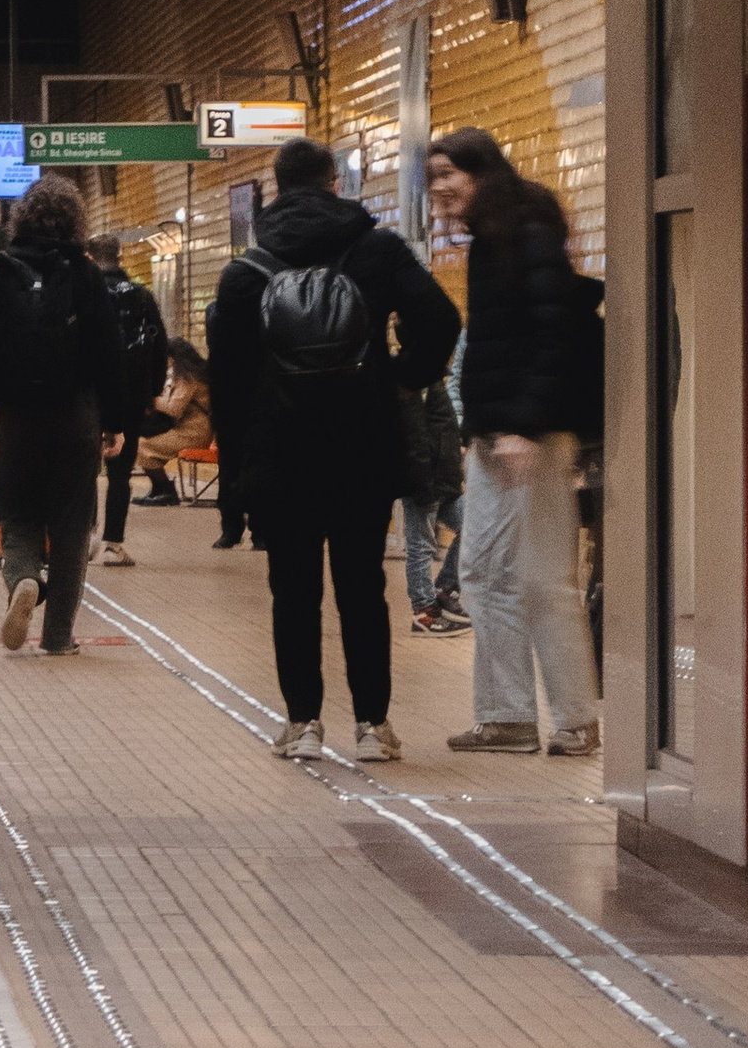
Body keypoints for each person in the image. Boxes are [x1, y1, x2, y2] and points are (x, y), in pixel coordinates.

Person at [207, 133, 459, 765]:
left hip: (280, 452)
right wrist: (400, 376)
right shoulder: (377, 250)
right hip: (362, 447)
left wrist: (236, 481)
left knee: (292, 591)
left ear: (276, 189)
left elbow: (228, 386)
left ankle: (303, 725)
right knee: (362, 588)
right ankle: (374, 727)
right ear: (336, 184)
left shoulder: (246, 272)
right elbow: (442, 319)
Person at [424, 127, 601, 759]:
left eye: (450, 173)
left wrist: (526, 424)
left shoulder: (526, 226)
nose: (440, 188)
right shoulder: (492, 236)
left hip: (533, 436)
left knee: (544, 579)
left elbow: (552, 332)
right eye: (433, 177)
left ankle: (577, 720)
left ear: (482, 172)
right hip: (499, 435)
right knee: (484, 573)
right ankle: (507, 716)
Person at [0, 179, 132, 656]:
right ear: (76, 220)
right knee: (72, 526)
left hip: (18, 416)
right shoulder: (85, 273)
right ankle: (58, 637)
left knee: (18, 517)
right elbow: (108, 352)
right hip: (75, 415)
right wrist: (114, 421)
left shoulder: (5, 270)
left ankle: (23, 581)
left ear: (23, 220)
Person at [89, 232, 168, 568]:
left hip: (88, 395)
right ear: (120, 257)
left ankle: (84, 537)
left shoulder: (83, 294)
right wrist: (153, 390)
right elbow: (159, 343)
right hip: (130, 394)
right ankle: (113, 545)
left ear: (90, 258)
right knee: (120, 474)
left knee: (86, 471)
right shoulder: (140, 295)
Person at [400, 349, 468, 633]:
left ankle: (444, 588)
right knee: (421, 546)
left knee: (472, 525)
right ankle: (424, 612)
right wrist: (422, 484)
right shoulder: (416, 380)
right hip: (424, 481)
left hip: (443, 482)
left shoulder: (433, 379)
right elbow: (414, 435)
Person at [133, 337, 214, 505]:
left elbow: (173, 407)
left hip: (194, 432)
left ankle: (166, 491)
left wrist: (151, 400)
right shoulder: (188, 374)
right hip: (187, 429)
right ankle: (158, 490)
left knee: (143, 446)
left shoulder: (189, 377)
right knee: (142, 443)